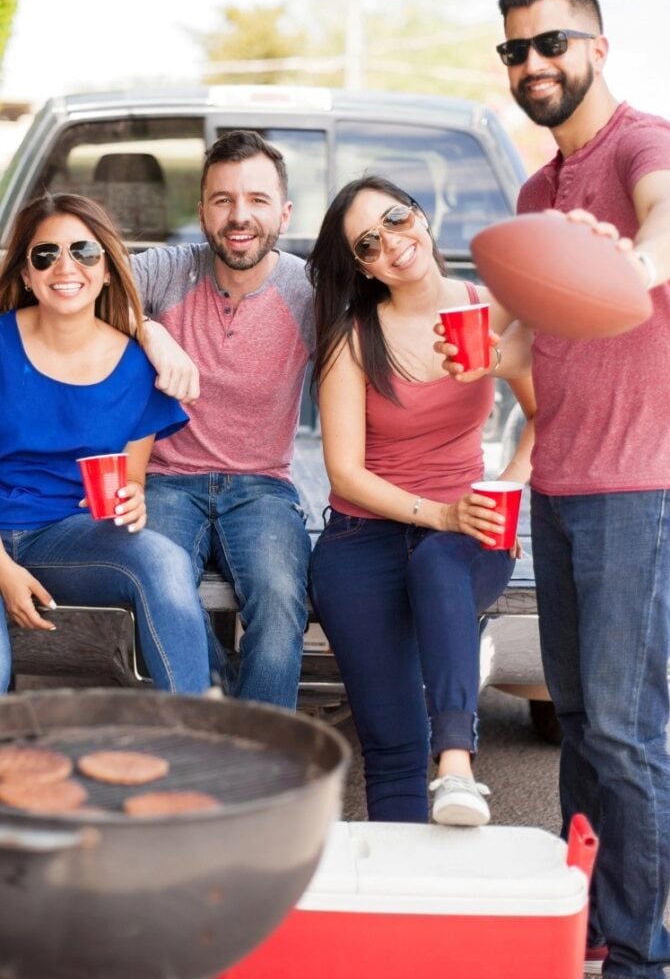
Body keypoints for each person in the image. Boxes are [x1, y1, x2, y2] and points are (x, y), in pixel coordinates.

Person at [464, 0, 670, 977]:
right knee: (580, 722)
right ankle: (584, 921)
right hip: (560, 482)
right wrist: (485, 345)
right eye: (514, 51)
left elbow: (663, 212)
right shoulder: (537, 191)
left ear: (594, 44)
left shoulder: (641, 142)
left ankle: (637, 951)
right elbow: (528, 331)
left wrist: (633, 263)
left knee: (628, 731)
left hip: (642, 487)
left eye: (549, 43)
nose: (532, 65)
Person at [306, 175, 536, 825]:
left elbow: (545, 416)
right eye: (370, 244)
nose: (394, 244)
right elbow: (345, 474)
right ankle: (402, 908)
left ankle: (458, 764)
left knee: (439, 561)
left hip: (467, 534)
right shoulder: (352, 338)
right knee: (392, 745)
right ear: (362, 267)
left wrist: (508, 486)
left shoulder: (491, 310)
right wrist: (439, 512)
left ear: (422, 215)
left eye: (397, 219)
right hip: (363, 538)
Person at [0, 193, 212, 695]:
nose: (65, 266)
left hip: (63, 537)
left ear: (109, 268)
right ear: (27, 274)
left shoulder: (136, 366)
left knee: (163, 560)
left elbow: (129, 479)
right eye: (45, 254)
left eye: (84, 252)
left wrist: (133, 497)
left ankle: (197, 731)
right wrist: (4, 572)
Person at [131, 130, 313, 709]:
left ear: (283, 213)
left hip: (261, 485)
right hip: (166, 480)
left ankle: (260, 749)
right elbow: (84, 283)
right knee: (157, 586)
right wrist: (150, 330)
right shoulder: (168, 270)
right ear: (202, 211)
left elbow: (400, 313)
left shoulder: (310, 289)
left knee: (283, 599)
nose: (240, 216)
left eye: (257, 200)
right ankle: (221, 714)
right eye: (223, 200)